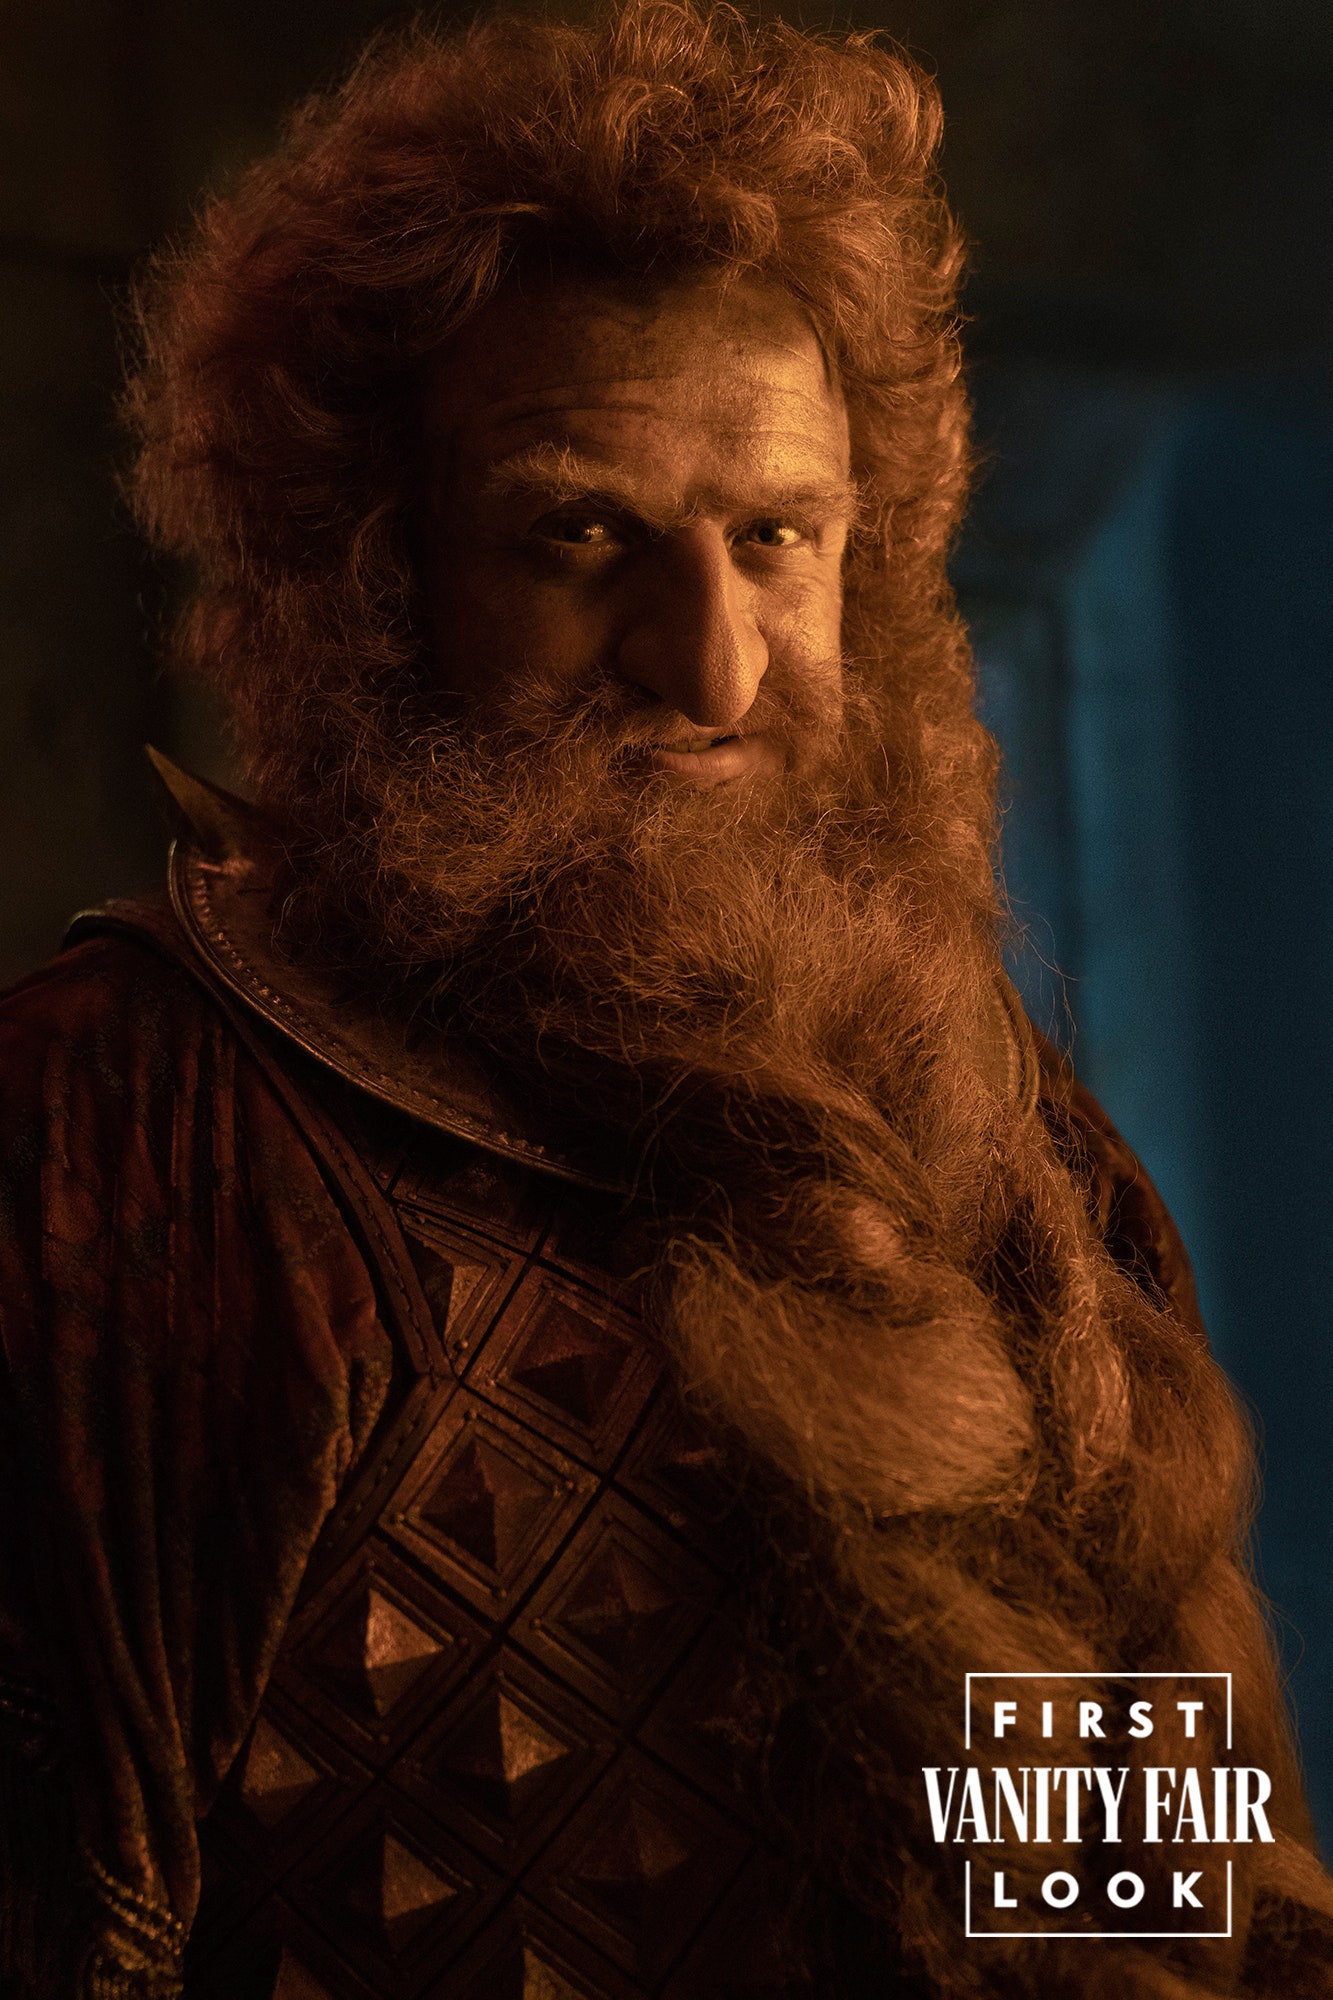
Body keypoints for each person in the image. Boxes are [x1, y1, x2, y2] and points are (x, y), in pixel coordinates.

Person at [0, 5, 1329, 1996]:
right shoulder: (118, 1141)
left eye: (774, 538)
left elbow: (1136, 1918)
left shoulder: (1002, 1151)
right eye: (581, 534)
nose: (712, 668)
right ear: (373, 573)